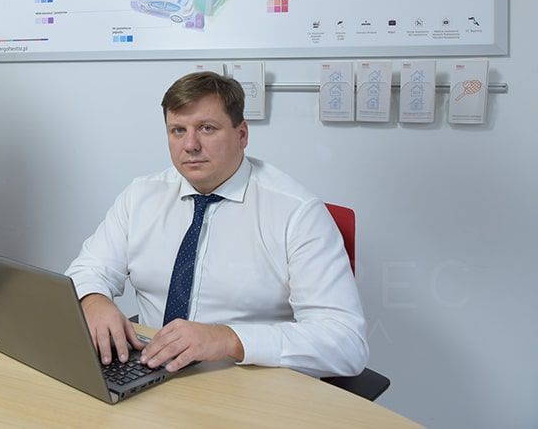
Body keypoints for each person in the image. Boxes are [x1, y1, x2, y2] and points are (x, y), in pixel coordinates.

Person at [65, 72, 368, 378]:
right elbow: (89, 269)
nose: (190, 145)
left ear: (242, 134)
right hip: (148, 372)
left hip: (247, 381)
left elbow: (345, 343)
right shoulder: (140, 196)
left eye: (207, 128)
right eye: (178, 130)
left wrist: (228, 339)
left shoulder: (297, 213)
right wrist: (92, 300)